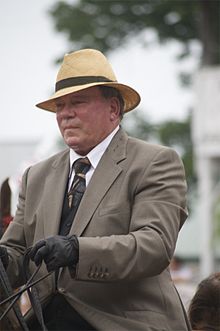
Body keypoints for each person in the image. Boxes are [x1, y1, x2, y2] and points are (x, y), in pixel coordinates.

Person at [0, 48, 191, 331]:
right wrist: (3, 259)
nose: (65, 114)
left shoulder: (155, 162)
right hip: (46, 321)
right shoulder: (35, 176)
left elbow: (154, 246)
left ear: (114, 109)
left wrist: (78, 250)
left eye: (77, 102)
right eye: (60, 106)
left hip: (124, 323)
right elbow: (16, 253)